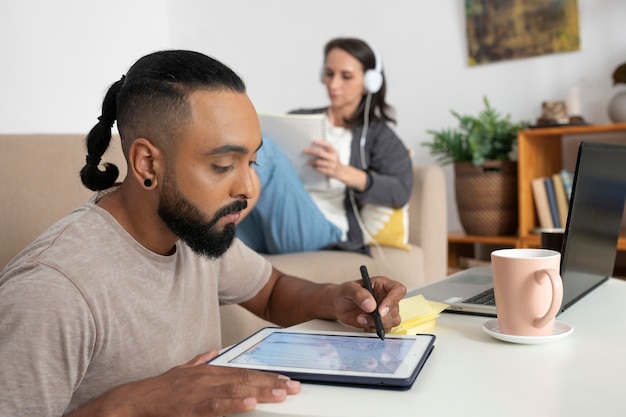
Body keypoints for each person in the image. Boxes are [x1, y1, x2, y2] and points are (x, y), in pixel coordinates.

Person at [0, 50, 406, 417]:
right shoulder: (52, 289)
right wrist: (135, 404)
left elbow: (271, 290)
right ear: (146, 164)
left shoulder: (194, 230)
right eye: (224, 164)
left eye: (252, 161)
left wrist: (333, 299)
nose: (248, 189)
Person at [237, 37, 413, 255]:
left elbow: (400, 192)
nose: (333, 84)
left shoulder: (378, 136)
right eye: (329, 74)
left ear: (369, 83)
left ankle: (208, 230)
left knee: (265, 151)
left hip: (323, 231)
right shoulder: (299, 119)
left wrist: (342, 172)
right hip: (270, 222)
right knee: (246, 146)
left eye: (346, 76)